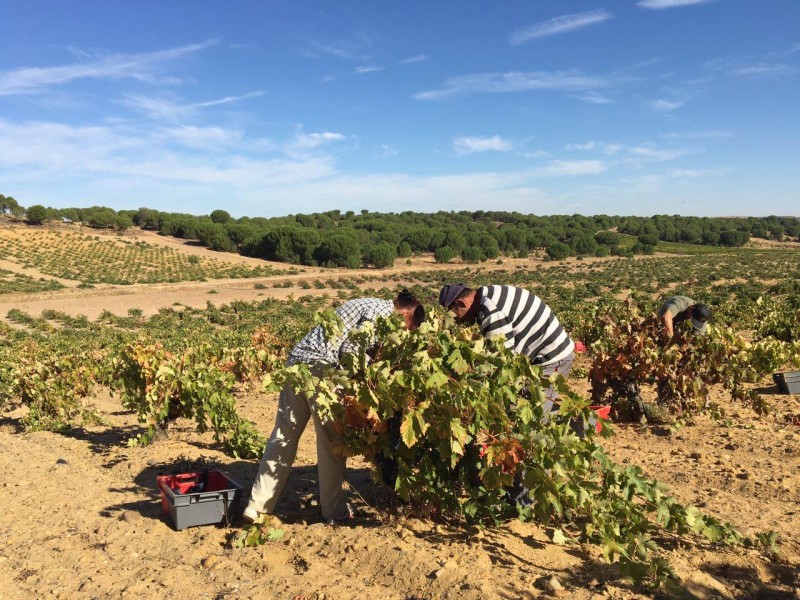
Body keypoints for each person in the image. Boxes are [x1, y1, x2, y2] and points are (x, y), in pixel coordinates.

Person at [243, 291, 424, 525]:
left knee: (283, 435)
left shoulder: (367, 303)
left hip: (297, 364)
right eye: (409, 327)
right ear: (407, 313)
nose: (405, 333)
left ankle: (256, 507)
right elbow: (349, 350)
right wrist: (376, 374)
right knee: (331, 440)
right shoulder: (381, 314)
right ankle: (334, 511)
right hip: (322, 369)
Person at [438, 283, 575, 403]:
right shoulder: (487, 295)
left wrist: (471, 378)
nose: (456, 321)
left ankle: (588, 425)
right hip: (547, 356)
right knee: (534, 407)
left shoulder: (490, 311)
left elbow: (503, 359)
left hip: (552, 358)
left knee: (534, 417)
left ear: (461, 303)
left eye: (454, 314)